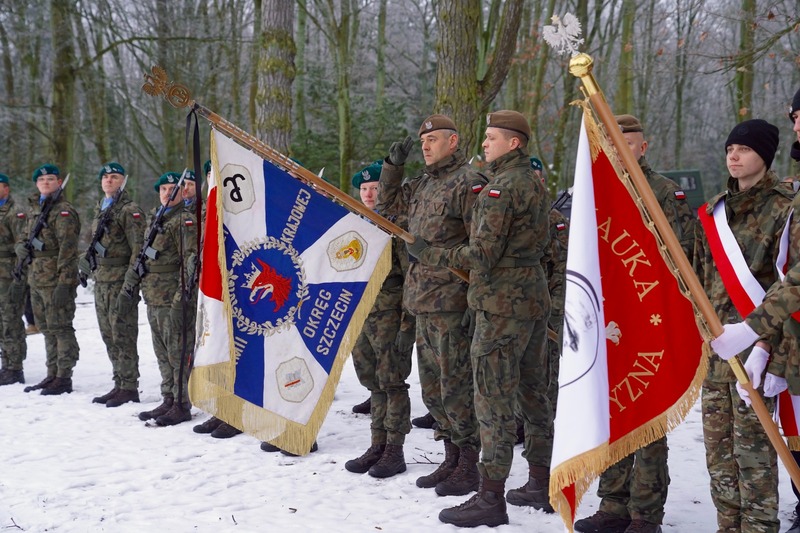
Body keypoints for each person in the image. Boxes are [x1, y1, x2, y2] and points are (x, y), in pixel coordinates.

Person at [408, 110, 551, 527]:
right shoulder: (534, 182)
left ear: (514, 143)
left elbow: (482, 254)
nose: (484, 144)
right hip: (531, 297)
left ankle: (490, 497)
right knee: (534, 396)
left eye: (492, 138)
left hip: (500, 304)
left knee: (493, 401)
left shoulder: (500, 188)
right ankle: (540, 481)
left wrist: (432, 254)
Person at [574, 115, 695, 533]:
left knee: (647, 411)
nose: (619, 150)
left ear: (643, 148)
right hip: (608, 315)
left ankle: (645, 512)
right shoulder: (597, 190)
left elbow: (683, 256)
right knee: (613, 409)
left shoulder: (662, 192)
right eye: (612, 143)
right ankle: (613, 504)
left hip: (650, 317)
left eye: (627, 143)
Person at [378, 114, 487, 497]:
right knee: (433, 391)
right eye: (423, 141)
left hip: (454, 304)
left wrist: (470, 296)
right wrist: (392, 169)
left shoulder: (469, 184)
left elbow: (482, 249)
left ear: (453, 142)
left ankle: (469, 464)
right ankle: (451, 457)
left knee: (457, 388)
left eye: (434, 140)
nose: (425, 146)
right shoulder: (423, 184)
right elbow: (388, 208)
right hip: (422, 300)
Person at [710, 88, 800, 533]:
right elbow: (702, 276)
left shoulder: (785, 206)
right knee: (718, 453)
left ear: (764, 155)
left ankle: (759, 527)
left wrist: (766, 345)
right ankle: (728, 525)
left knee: (755, 453)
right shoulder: (716, 210)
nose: (734, 156)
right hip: (718, 346)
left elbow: (786, 280)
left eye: (744, 149)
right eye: (730, 148)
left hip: (758, 346)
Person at [344, 161, 415, 479]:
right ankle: (377, 444)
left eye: (375, 188)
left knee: (391, 382)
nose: (369, 194)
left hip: (389, 315)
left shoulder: (398, 225)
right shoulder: (354, 223)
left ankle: (394, 450)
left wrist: (407, 323)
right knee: (372, 381)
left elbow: (411, 276)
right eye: (364, 189)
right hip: (362, 314)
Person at [123, 171, 197, 426]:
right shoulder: (156, 217)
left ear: (182, 192)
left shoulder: (184, 220)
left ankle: (181, 404)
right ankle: (168, 398)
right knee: (162, 351)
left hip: (172, 297)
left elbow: (190, 263)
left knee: (178, 352)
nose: (167, 193)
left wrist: (181, 300)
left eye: (172, 189)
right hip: (153, 296)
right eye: (163, 189)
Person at [78, 162, 146, 408]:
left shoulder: (129, 210)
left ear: (122, 181)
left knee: (123, 333)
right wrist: (86, 262)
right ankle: (119, 382)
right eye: (105, 177)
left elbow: (138, 249)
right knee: (108, 334)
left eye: (114, 177)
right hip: (102, 280)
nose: (109, 180)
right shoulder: (102, 208)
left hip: (120, 280)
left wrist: (130, 282)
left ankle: (129, 386)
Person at [13, 164, 81, 395]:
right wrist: (21, 247)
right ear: (36, 184)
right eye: (41, 180)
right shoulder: (35, 209)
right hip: (37, 279)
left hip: (56, 281)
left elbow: (68, 251)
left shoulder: (63, 212)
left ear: (59, 182)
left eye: (50, 179)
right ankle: (52, 373)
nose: (45, 183)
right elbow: (23, 236)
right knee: (46, 328)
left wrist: (65, 283)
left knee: (60, 328)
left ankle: (64, 376)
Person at [0, 173, 28, 386]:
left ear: (6, 189)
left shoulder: (15, 212)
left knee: (11, 320)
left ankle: (14, 367)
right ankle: (6, 364)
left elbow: (22, 246)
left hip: (9, 275)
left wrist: (20, 278)